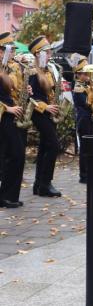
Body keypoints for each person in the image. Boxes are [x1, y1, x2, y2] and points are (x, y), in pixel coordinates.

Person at [28, 36, 61, 197]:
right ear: (38, 54)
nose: (50, 55)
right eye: (46, 53)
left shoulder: (48, 70)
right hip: (39, 112)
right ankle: (46, 183)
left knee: (44, 146)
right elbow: (31, 97)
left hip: (48, 112)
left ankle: (38, 184)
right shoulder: (33, 72)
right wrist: (46, 106)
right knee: (53, 145)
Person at [0, 33, 25, 208]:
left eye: (12, 49)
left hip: (12, 115)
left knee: (14, 155)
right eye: (8, 49)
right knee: (15, 155)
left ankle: (9, 196)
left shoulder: (8, 68)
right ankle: (6, 196)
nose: (12, 53)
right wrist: (7, 108)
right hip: (4, 115)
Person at [72, 55, 93, 183]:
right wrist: (92, 94)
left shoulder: (88, 85)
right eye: (83, 74)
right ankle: (84, 175)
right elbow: (86, 103)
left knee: (90, 146)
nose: (86, 76)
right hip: (83, 119)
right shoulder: (78, 87)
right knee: (84, 147)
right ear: (77, 75)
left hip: (90, 118)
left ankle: (90, 171)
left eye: (87, 73)